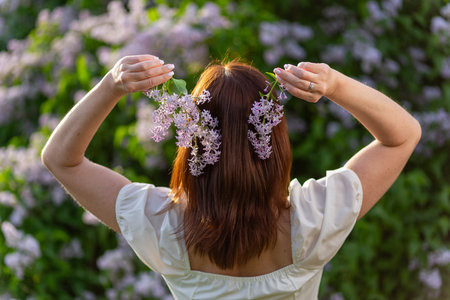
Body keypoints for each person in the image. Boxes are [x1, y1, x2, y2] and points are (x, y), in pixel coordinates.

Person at [41, 55, 421, 299]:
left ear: (192, 142)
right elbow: (402, 136)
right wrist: (334, 83)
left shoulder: (162, 227)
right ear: (273, 139)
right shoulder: (311, 222)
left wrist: (112, 85)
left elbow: (61, 160)